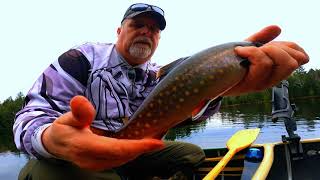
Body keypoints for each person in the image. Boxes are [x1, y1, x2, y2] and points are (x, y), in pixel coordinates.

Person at [14, 2, 309, 180]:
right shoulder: (80, 59)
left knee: (191, 155)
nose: (146, 32)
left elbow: (183, 114)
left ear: (158, 39)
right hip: (72, 158)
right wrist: (51, 139)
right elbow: (29, 116)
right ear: (119, 31)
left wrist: (223, 85)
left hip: (134, 149)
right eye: (137, 24)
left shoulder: (158, 74)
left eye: (153, 29)